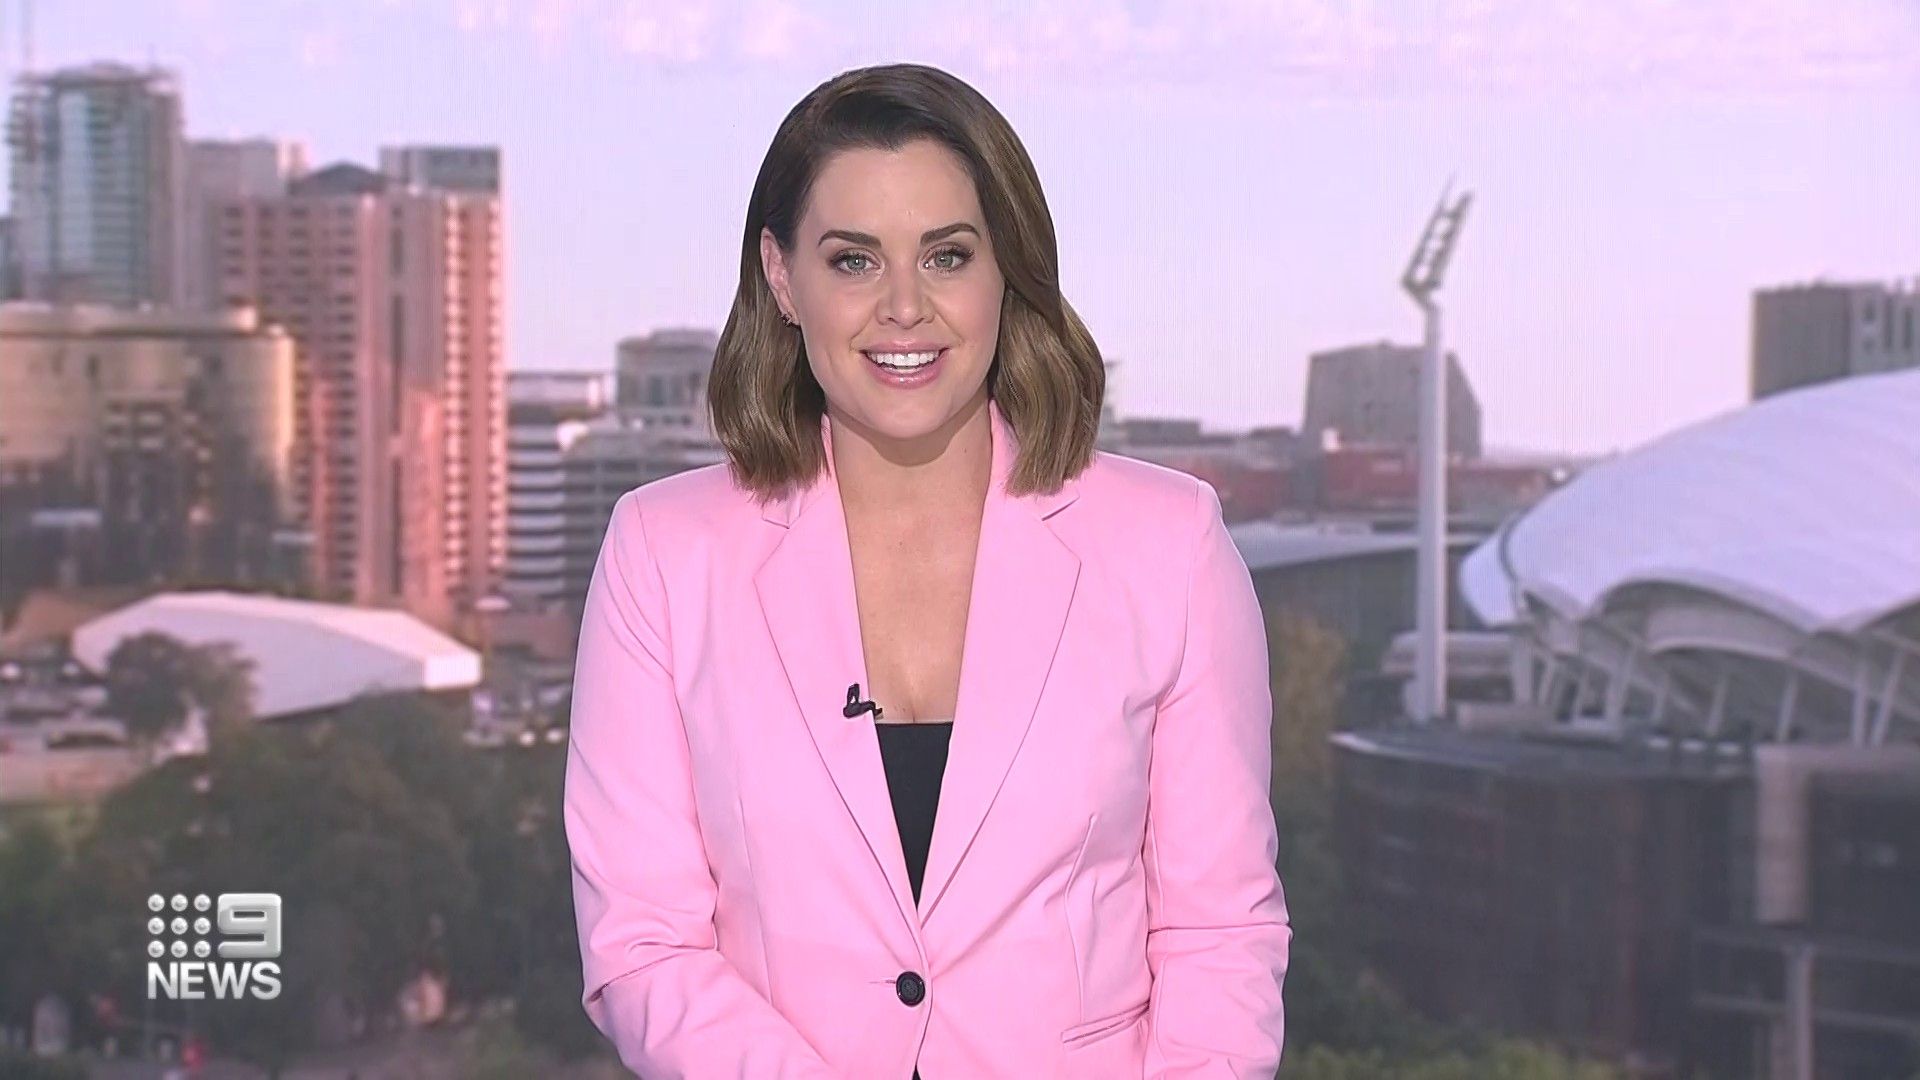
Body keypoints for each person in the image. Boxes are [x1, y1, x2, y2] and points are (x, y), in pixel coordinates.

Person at [565, 61, 1290, 1078]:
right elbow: (644, 944)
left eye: (947, 256)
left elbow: (1219, 932)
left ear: (1007, 272)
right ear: (782, 278)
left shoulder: (1170, 545)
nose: (904, 307)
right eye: (854, 261)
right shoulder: (663, 553)